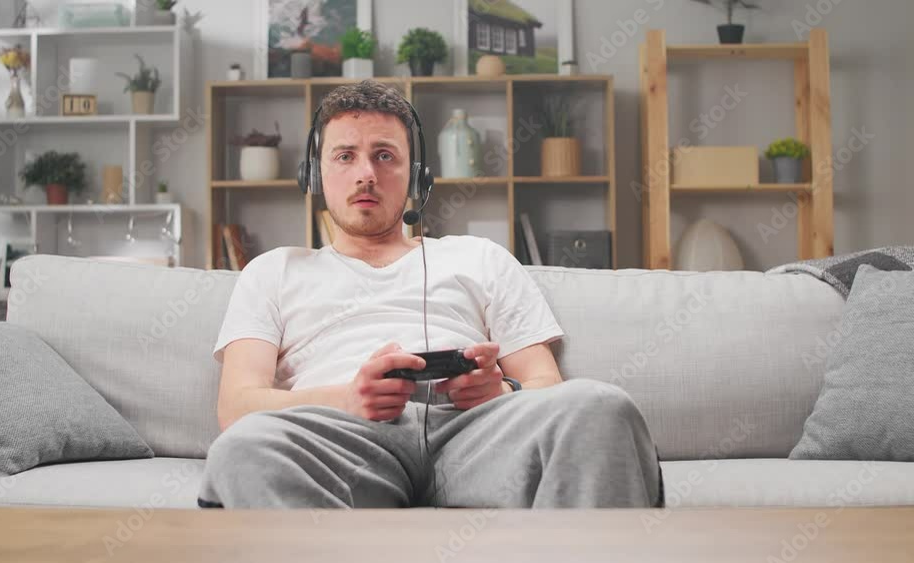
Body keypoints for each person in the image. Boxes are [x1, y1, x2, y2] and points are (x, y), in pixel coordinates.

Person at [197, 80, 663, 510]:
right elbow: (236, 407)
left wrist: (501, 389)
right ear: (314, 175)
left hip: (475, 433)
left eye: (385, 155)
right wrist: (348, 399)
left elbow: (546, 383)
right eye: (345, 156)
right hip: (341, 438)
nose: (366, 174)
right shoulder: (272, 271)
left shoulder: (481, 257)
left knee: (602, 407)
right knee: (243, 450)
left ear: (416, 176)